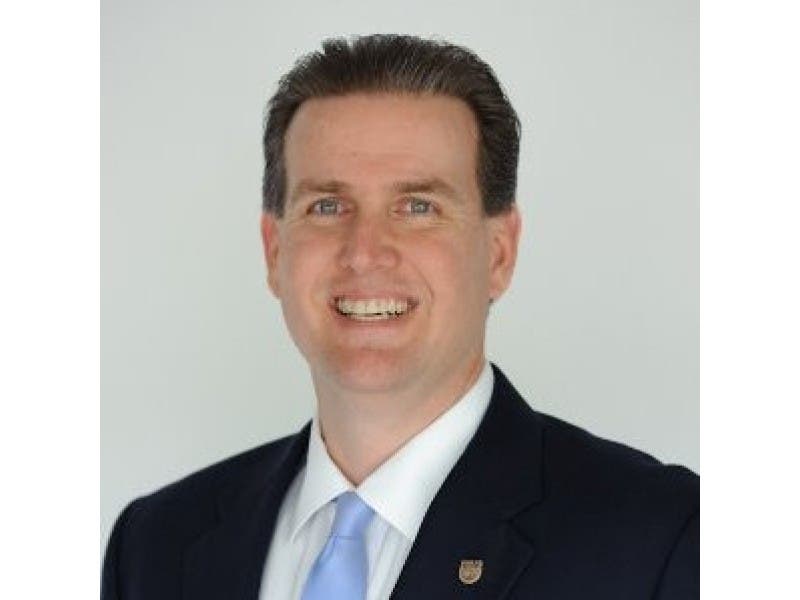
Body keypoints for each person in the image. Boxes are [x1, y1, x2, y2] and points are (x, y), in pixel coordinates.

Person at [101, 34, 699, 600]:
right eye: (327, 206)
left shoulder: (662, 538)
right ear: (274, 250)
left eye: (417, 206)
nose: (365, 252)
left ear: (499, 253)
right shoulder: (154, 545)